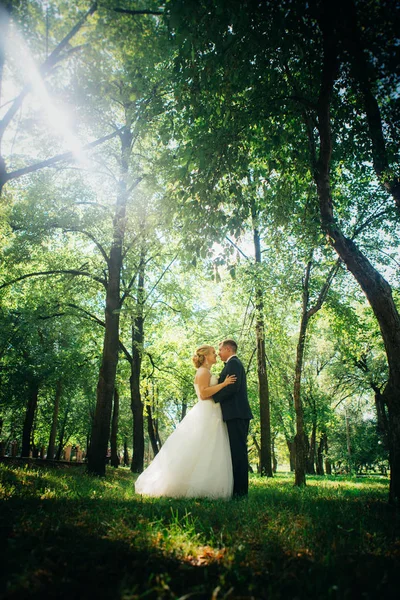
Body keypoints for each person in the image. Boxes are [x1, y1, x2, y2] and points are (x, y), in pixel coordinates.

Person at [134, 345, 236, 499]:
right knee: (199, 446)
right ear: (206, 356)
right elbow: (203, 393)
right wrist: (223, 384)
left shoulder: (207, 371)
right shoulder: (202, 371)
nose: (216, 355)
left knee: (210, 448)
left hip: (213, 412)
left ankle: (208, 485)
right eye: (213, 353)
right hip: (206, 411)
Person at [213, 339, 253, 497]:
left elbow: (233, 388)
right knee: (235, 452)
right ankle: (236, 490)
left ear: (228, 349)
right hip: (235, 414)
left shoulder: (234, 364)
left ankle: (241, 493)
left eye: (220, 350)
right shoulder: (231, 364)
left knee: (238, 453)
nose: (219, 353)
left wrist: (213, 396)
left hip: (237, 413)